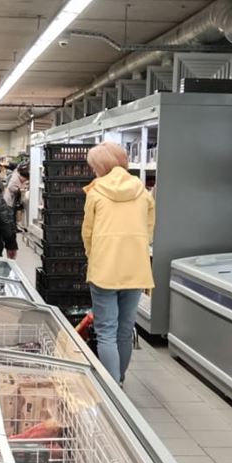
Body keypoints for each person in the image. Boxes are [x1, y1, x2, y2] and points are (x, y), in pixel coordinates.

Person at [81, 142, 154, 384]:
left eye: (94, 167)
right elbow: (149, 230)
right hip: (136, 268)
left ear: (102, 166)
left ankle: (111, 387)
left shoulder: (95, 192)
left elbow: (88, 233)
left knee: (106, 332)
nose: (93, 171)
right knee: (125, 329)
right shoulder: (143, 192)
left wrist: (94, 256)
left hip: (105, 270)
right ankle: (120, 381)